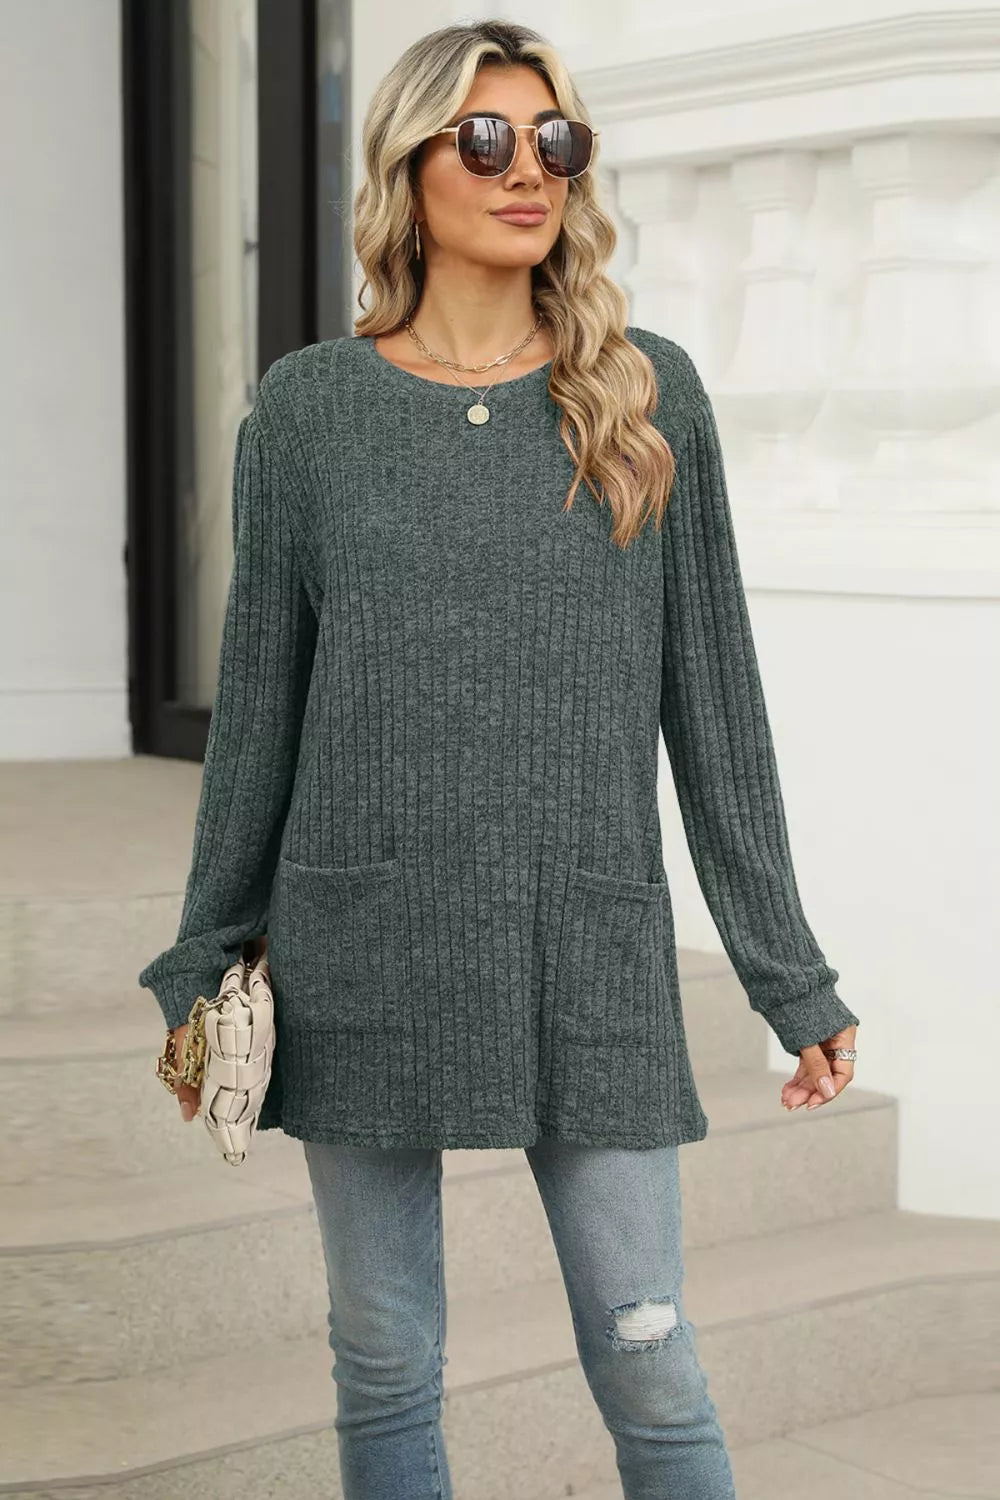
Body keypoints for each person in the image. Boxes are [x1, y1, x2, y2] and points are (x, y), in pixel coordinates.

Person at [138, 18, 860, 1499]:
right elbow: (262, 711)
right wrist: (205, 953)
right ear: (407, 167)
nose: (526, 168)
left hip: (580, 949)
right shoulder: (310, 411)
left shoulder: (644, 396)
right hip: (360, 944)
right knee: (385, 1363)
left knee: (650, 1354)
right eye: (484, 138)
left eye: (554, 140)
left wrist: (787, 975)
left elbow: (718, 711)